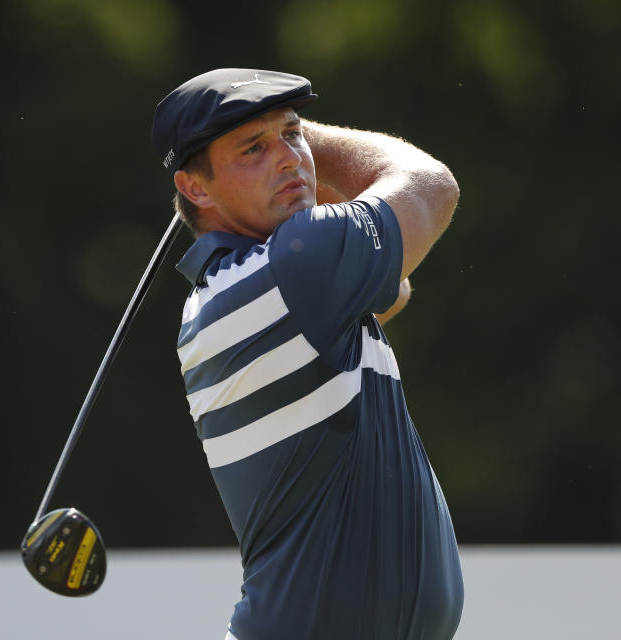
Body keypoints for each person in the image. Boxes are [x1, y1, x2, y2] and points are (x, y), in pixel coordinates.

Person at [151, 69, 463, 640]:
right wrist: (310, 138)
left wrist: (273, 149)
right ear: (195, 187)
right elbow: (431, 184)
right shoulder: (297, 262)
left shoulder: (239, 289)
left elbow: (393, 291)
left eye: (294, 135)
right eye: (254, 148)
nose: (292, 158)